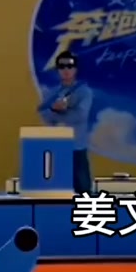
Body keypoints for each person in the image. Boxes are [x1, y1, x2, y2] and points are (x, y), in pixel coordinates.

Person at [36, 51, 94, 193]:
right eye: (62, 66)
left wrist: (58, 112)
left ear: (76, 69)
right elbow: (44, 115)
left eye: (70, 66)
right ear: (57, 70)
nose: (66, 70)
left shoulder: (84, 91)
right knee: (57, 192)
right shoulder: (52, 93)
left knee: (83, 191)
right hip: (56, 148)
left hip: (77, 148)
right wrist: (54, 109)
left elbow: (80, 115)